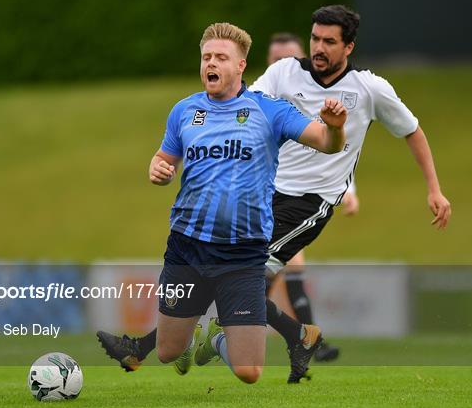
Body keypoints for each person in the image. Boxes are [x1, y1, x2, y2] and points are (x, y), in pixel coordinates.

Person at [98, 22, 347, 384]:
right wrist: (158, 168)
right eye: (206, 57)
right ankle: (184, 340)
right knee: (167, 352)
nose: (210, 64)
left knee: (249, 372)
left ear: (241, 66)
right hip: (187, 248)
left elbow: (327, 142)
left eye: (219, 57)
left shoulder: (269, 111)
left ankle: (215, 339)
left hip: (242, 255)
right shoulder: (184, 111)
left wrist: (336, 127)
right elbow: (165, 158)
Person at [250, 4, 451, 366]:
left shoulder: (369, 89)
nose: (318, 48)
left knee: (243, 274)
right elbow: (248, 107)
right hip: (265, 190)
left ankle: (172, 344)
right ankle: (300, 338)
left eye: (329, 41)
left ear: (349, 47)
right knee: (236, 278)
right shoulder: (283, 72)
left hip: (312, 201)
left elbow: (413, 132)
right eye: (314, 38)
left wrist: (434, 189)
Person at [266, 32, 360, 362]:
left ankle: (305, 338)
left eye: (286, 59)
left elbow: (337, 151)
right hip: (264, 196)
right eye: (275, 60)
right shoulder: (268, 98)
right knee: (249, 282)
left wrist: (349, 190)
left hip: (296, 202)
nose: (281, 64)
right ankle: (303, 339)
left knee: (259, 276)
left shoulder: (312, 103)